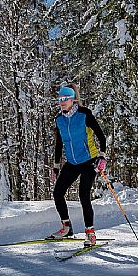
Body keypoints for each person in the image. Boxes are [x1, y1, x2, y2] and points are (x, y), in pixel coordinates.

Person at [49, 86, 108, 246]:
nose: (62, 102)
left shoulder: (84, 114)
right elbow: (59, 143)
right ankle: (66, 227)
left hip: (89, 161)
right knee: (58, 193)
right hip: (72, 163)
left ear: (72, 99)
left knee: (83, 195)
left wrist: (102, 156)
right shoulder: (59, 120)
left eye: (65, 99)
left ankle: (90, 233)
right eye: (59, 99)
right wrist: (56, 166)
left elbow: (101, 136)